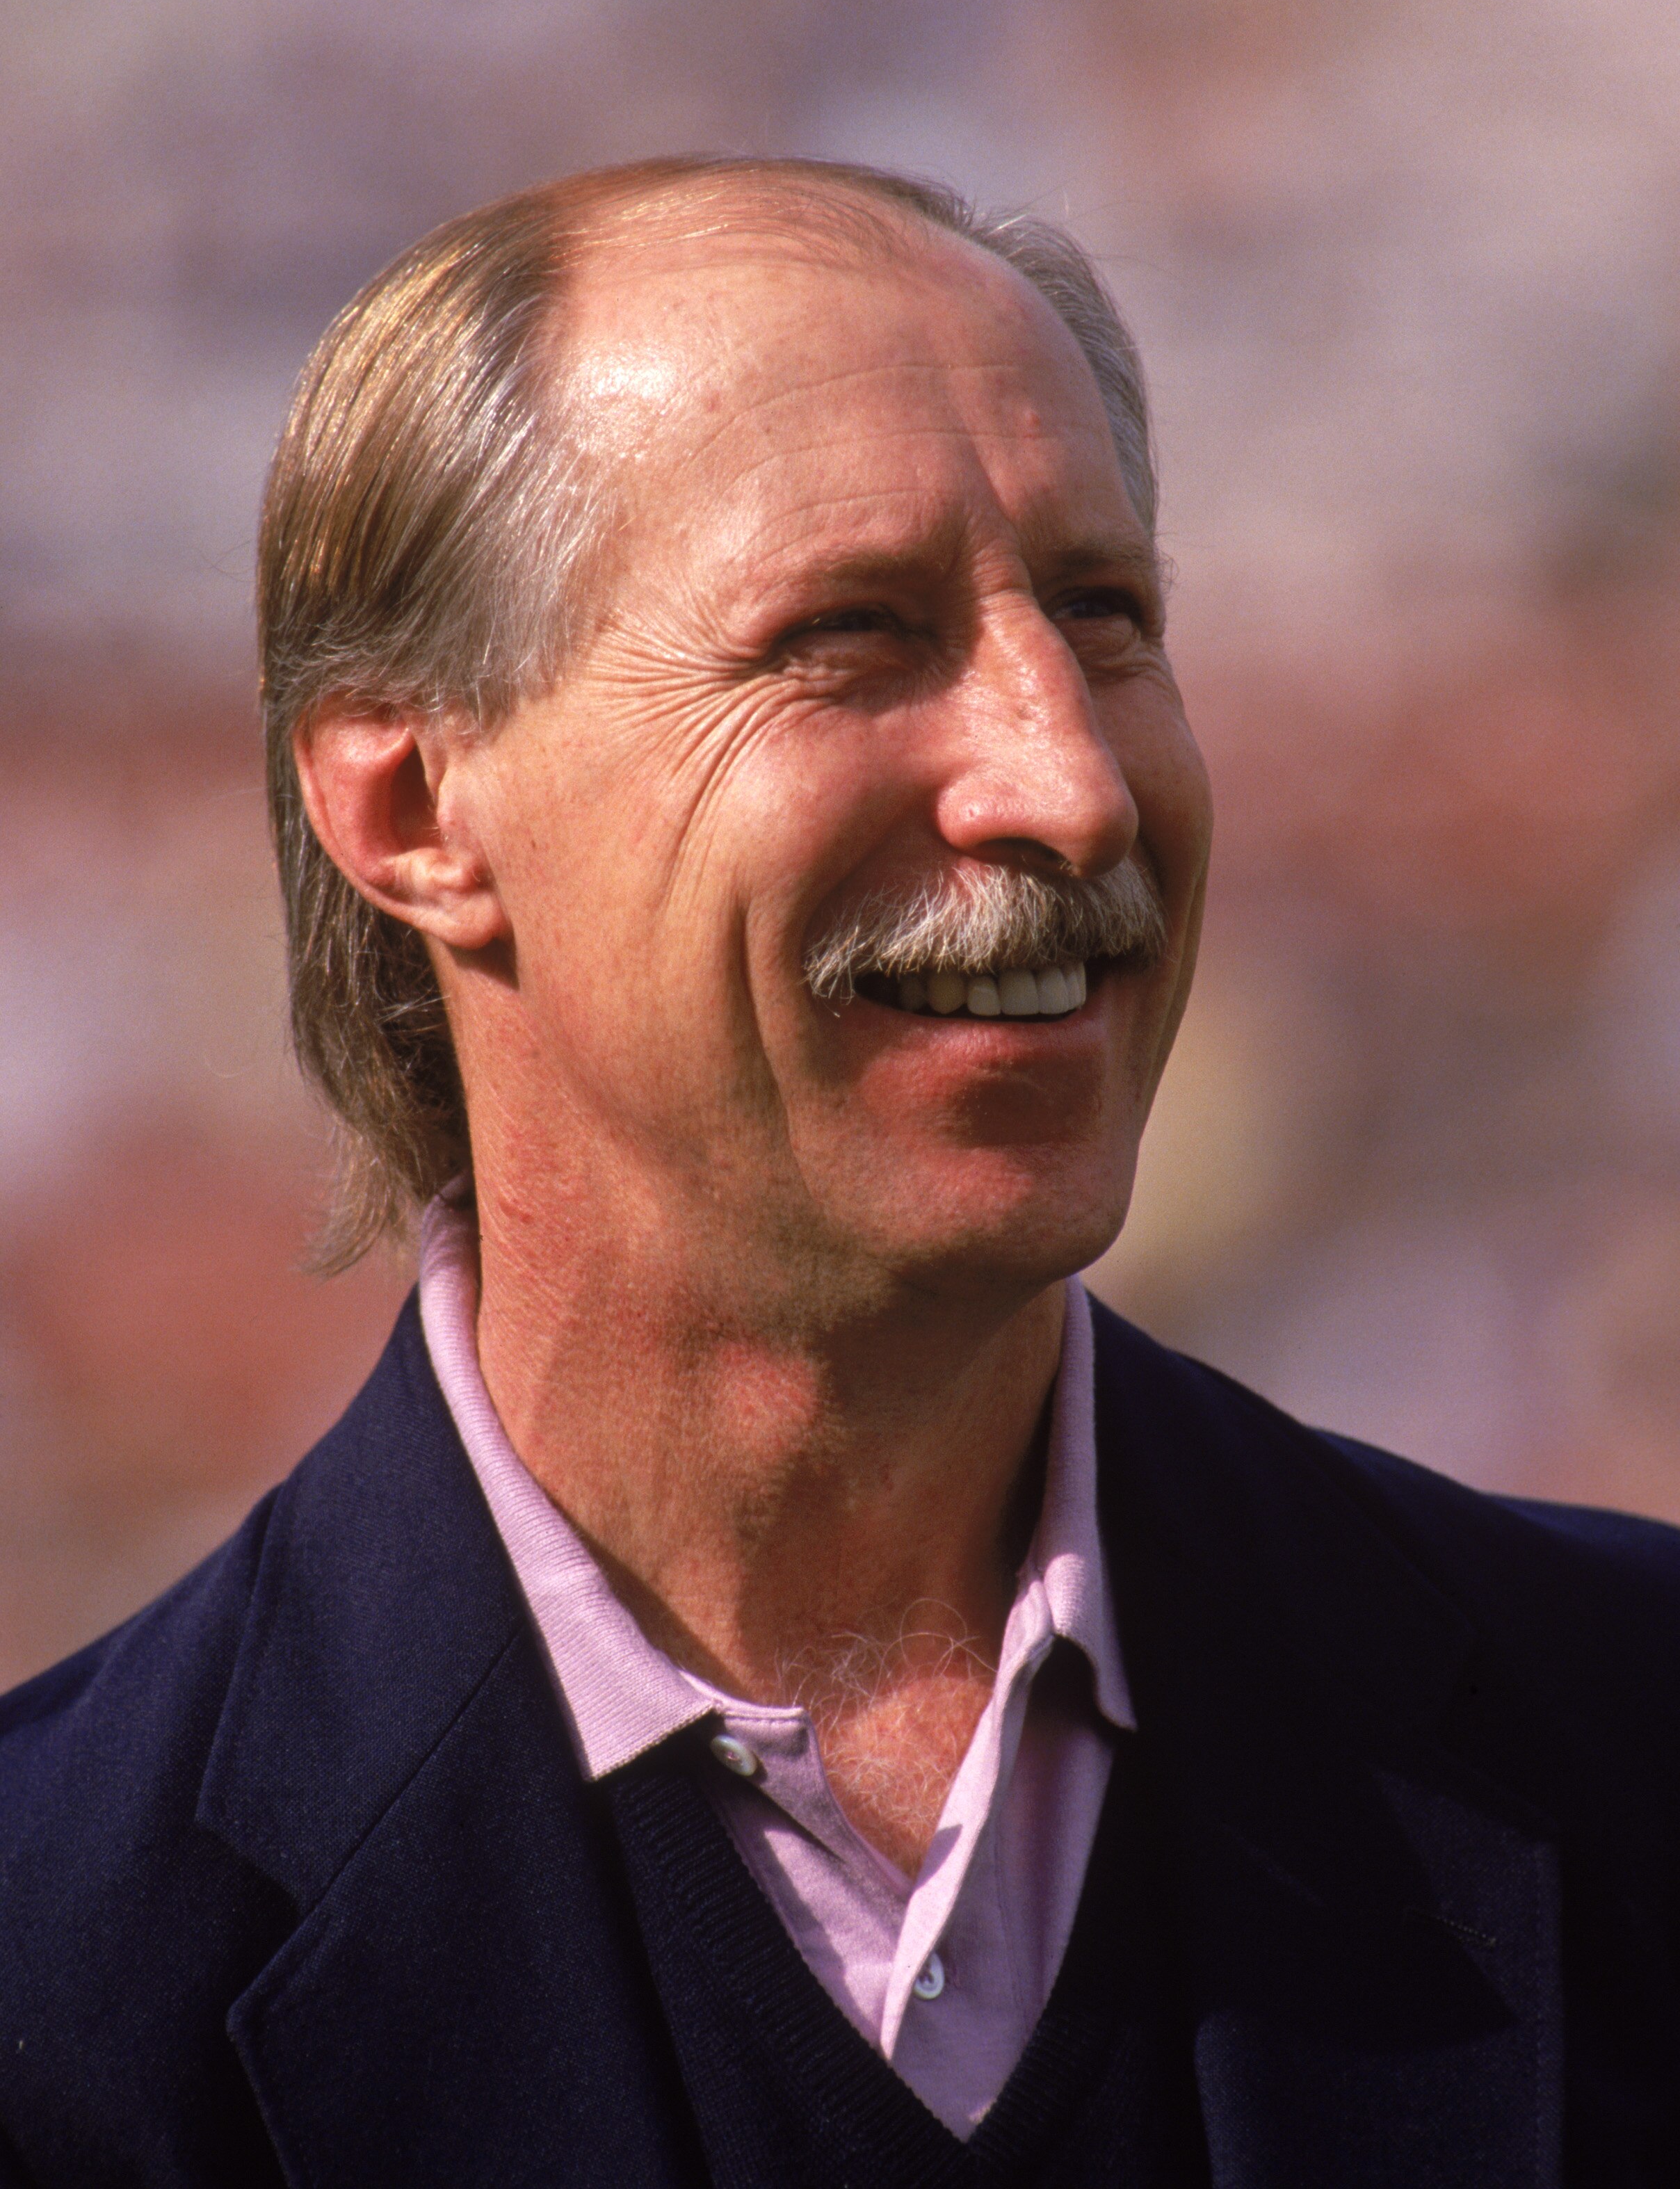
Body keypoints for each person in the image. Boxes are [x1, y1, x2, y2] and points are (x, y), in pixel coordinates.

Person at [1, 157, 1675, 2189]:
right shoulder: (66, 1969)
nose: (1065, 781)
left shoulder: (1623, 1746)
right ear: (418, 806)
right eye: (850, 637)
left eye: (1104, 613)